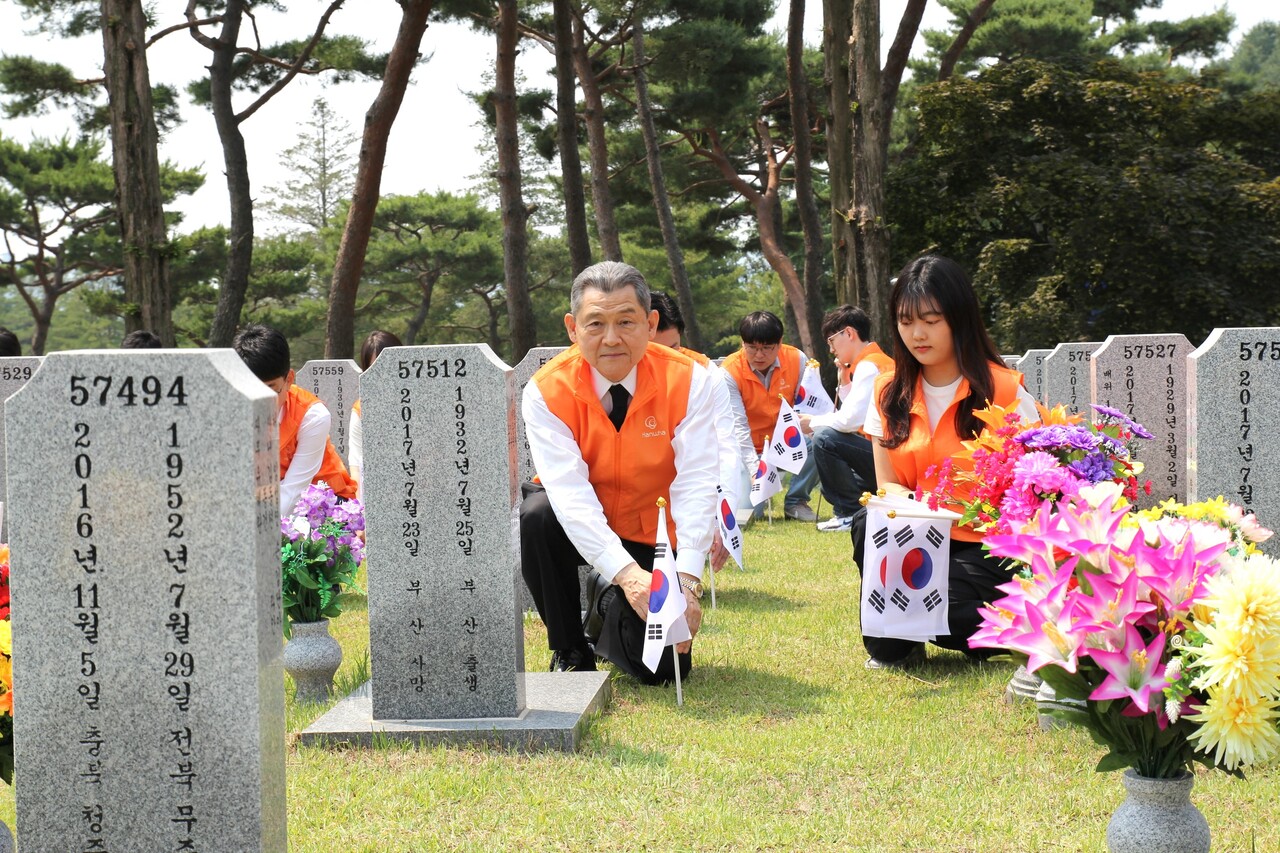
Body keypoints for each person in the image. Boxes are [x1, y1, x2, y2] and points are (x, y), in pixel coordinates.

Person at [521, 262, 718, 684]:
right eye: (596, 324)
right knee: (537, 515)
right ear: (573, 328)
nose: (611, 338)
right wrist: (629, 576)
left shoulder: (691, 381)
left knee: (663, 671)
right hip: (576, 523)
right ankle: (570, 648)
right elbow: (570, 496)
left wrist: (686, 579)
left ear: (650, 324)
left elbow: (698, 480)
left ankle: (604, 601)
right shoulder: (545, 390)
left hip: (652, 529)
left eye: (626, 322)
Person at [854, 255, 1039, 670]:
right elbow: (887, 485)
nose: (917, 334)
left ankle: (976, 625)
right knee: (866, 523)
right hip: (915, 540)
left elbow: (1032, 493)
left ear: (959, 318)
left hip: (985, 551)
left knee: (954, 614)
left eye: (931, 320)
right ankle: (903, 633)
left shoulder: (1005, 391)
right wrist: (923, 509)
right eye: (905, 321)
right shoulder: (886, 392)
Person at [232, 324, 357, 518]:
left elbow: (294, 492)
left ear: (289, 379)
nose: (260, 401)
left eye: (271, 390)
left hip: (321, 506)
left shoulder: (312, 416)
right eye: (251, 390)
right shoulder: (230, 409)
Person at [650, 291, 734, 568]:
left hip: (687, 487)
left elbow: (725, 445)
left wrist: (723, 518)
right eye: (654, 350)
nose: (665, 359)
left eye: (673, 348)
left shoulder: (705, 373)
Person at [800, 306, 893, 533]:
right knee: (832, 481)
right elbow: (858, 412)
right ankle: (858, 509)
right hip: (886, 454)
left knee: (824, 438)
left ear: (849, 333)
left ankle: (848, 513)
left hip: (888, 457)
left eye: (831, 341)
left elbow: (849, 421)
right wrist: (845, 381)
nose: (831, 349)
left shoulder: (869, 365)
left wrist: (812, 422)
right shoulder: (873, 362)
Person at [721, 311, 819, 521]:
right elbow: (738, 427)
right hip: (750, 451)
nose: (759, 355)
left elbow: (807, 409)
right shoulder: (729, 371)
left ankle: (796, 501)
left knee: (822, 439)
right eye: (752, 348)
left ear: (780, 343)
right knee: (748, 514)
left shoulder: (797, 359)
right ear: (742, 343)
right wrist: (755, 470)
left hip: (787, 444)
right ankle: (757, 493)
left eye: (767, 348)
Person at [348, 330, 402, 502]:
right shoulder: (361, 409)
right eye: (374, 369)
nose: (382, 376)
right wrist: (359, 508)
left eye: (387, 368)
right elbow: (356, 461)